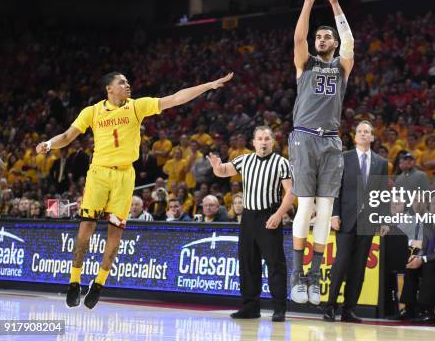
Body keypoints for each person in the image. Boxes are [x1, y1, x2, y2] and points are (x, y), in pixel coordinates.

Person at [35, 70, 233, 309]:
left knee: (115, 234)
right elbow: (67, 136)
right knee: (85, 228)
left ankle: (98, 284)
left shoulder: (136, 107)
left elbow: (175, 98)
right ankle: (74, 281)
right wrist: (48, 144)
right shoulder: (92, 111)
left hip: (124, 176)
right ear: (109, 89)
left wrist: (208, 85)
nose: (128, 85)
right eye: (122, 83)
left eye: (128, 82)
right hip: (98, 173)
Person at [289, 0, 355, 305]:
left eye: (327, 35)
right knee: (305, 206)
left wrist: (335, 5)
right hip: (303, 137)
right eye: (320, 35)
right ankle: (297, 274)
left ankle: (314, 274)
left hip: (330, 140)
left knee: (325, 209)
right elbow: (299, 36)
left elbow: (351, 43)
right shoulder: (305, 64)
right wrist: (308, 3)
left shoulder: (342, 66)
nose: (322, 38)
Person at [209, 126, 293, 322]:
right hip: (248, 218)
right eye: (259, 138)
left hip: (269, 215)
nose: (263, 142)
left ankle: (279, 308)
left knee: (275, 264)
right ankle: (250, 307)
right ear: (253, 142)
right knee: (248, 263)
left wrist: (279, 214)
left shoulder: (281, 163)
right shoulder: (244, 160)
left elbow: (290, 193)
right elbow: (223, 172)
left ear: (272, 142)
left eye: (267, 138)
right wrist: (216, 165)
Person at [324, 121, 388, 323]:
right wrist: (334, 214)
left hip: (367, 222)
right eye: (359, 131)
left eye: (367, 132)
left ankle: (348, 309)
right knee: (340, 264)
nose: (362, 134)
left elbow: (382, 193)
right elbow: (334, 188)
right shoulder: (343, 158)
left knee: (359, 268)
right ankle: (330, 307)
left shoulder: (381, 162)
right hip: (345, 220)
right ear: (355, 136)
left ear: (372, 137)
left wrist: (383, 219)